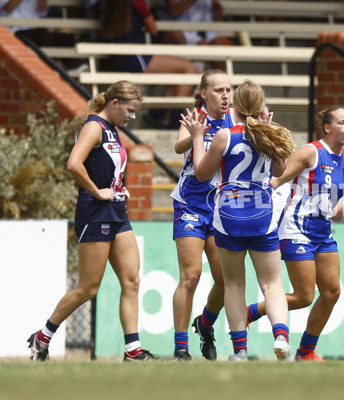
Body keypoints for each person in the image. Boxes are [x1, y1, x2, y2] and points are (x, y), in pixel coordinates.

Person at [246, 106, 344, 361]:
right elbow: (279, 178)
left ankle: (305, 351)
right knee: (304, 295)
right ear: (328, 128)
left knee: (331, 292)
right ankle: (249, 313)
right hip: (296, 228)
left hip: (322, 231)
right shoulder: (311, 152)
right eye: (342, 122)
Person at [27, 81, 158, 362]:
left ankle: (133, 351)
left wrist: (118, 187)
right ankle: (43, 336)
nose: (131, 117)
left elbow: (106, 168)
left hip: (117, 212)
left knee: (132, 279)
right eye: (130, 110)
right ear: (114, 104)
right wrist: (97, 190)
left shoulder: (112, 129)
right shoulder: (94, 127)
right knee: (89, 287)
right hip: (96, 213)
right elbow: (74, 164)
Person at [182, 80, 296, 361]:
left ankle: (240, 351)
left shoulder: (225, 135)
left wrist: (198, 137)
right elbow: (281, 169)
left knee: (234, 285)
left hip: (230, 214)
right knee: (272, 284)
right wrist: (269, 128)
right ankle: (281, 335)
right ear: (261, 106)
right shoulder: (270, 134)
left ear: (236, 106)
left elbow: (200, 174)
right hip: (262, 214)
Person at [170, 70, 234, 361]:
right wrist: (197, 133)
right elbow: (179, 146)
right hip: (191, 205)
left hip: (222, 207)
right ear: (204, 94)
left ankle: (205, 324)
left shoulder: (236, 118)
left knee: (225, 279)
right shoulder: (196, 116)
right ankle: (181, 346)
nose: (225, 95)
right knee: (191, 276)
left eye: (228, 90)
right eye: (219, 90)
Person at [96, 0, 199, 98]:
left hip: (115, 58)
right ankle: (174, 114)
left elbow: (101, 31)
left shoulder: (104, 2)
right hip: (135, 57)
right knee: (189, 68)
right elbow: (153, 29)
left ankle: (157, 114)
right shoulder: (138, 1)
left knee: (179, 75)